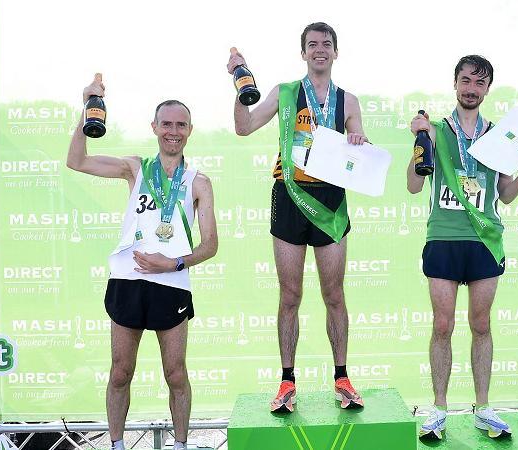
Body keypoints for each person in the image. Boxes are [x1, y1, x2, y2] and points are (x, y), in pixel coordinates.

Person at [67, 74, 218, 450]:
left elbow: (211, 245)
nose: (173, 131)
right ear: (154, 127)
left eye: (180, 124)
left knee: (176, 373)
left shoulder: (199, 182)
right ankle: (117, 444)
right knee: (120, 372)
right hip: (127, 280)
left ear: (190, 130)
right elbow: (77, 161)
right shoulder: (135, 168)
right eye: (166, 124)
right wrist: (86, 107)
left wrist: (173, 264)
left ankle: (180, 445)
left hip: (171, 285)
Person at [227, 22, 368, 412]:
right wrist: (239, 88)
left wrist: (358, 141)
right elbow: (244, 127)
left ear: (335, 52)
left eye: (326, 44)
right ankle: (287, 382)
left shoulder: (348, 101)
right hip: (290, 194)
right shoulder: (285, 92)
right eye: (312, 45)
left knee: (333, 294)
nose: (319, 50)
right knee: (290, 294)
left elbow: (360, 149)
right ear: (303, 53)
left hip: (330, 200)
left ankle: (342, 378)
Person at [407, 55, 518, 440]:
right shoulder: (433, 130)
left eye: (479, 83)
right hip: (444, 237)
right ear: (455, 83)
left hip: (484, 239)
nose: (471, 88)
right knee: (442, 325)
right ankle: (438, 409)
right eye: (465, 80)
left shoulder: (499, 135)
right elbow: (414, 186)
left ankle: (483, 408)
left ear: (486, 89)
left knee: (481, 325)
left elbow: (506, 194)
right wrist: (417, 143)